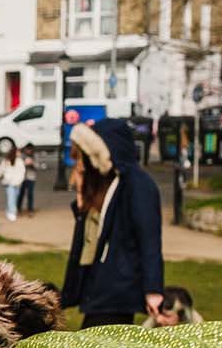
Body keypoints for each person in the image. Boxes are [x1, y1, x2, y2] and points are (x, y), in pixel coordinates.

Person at [60, 119, 164, 328]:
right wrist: (81, 196)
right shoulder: (109, 183)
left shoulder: (138, 184)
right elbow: (89, 236)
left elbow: (149, 240)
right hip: (102, 286)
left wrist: (153, 290)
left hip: (118, 288)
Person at [0, 146, 26, 222]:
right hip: (9, 183)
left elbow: (22, 172)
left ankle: (9, 211)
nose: (19, 153)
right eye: (18, 152)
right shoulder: (6, 161)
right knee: (11, 197)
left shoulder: (20, 161)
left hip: (18, 184)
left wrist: (21, 180)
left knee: (14, 198)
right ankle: (12, 213)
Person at [18, 147, 38, 214]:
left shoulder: (34, 157)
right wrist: (24, 164)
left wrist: (32, 163)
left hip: (31, 178)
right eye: (27, 149)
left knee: (30, 194)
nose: (28, 151)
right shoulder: (22, 157)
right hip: (22, 178)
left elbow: (37, 166)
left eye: (30, 149)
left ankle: (30, 209)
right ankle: (18, 208)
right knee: (21, 194)